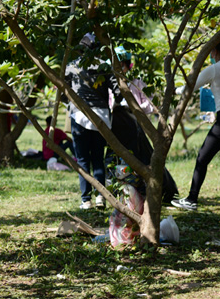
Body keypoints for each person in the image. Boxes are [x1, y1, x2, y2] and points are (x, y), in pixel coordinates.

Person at [171, 37, 220, 211]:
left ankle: (191, 199)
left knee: (202, 158)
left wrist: (173, 90)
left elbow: (189, 87)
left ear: (214, 51)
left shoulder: (214, 69)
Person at [108, 46, 179, 203]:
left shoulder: (136, 83)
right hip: (116, 126)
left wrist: (134, 108)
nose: (119, 69)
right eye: (116, 66)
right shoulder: (108, 83)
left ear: (127, 65)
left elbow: (150, 105)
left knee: (144, 158)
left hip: (134, 126)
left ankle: (163, 191)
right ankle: (117, 192)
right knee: (115, 159)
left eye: (122, 65)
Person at [65, 33, 122, 210]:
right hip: (102, 117)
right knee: (98, 158)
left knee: (82, 160)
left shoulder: (71, 67)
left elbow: (62, 90)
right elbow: (118, 93)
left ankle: (86, 200)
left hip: (79, 115)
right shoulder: (105, 66)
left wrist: (69, 104)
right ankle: (100, 197)